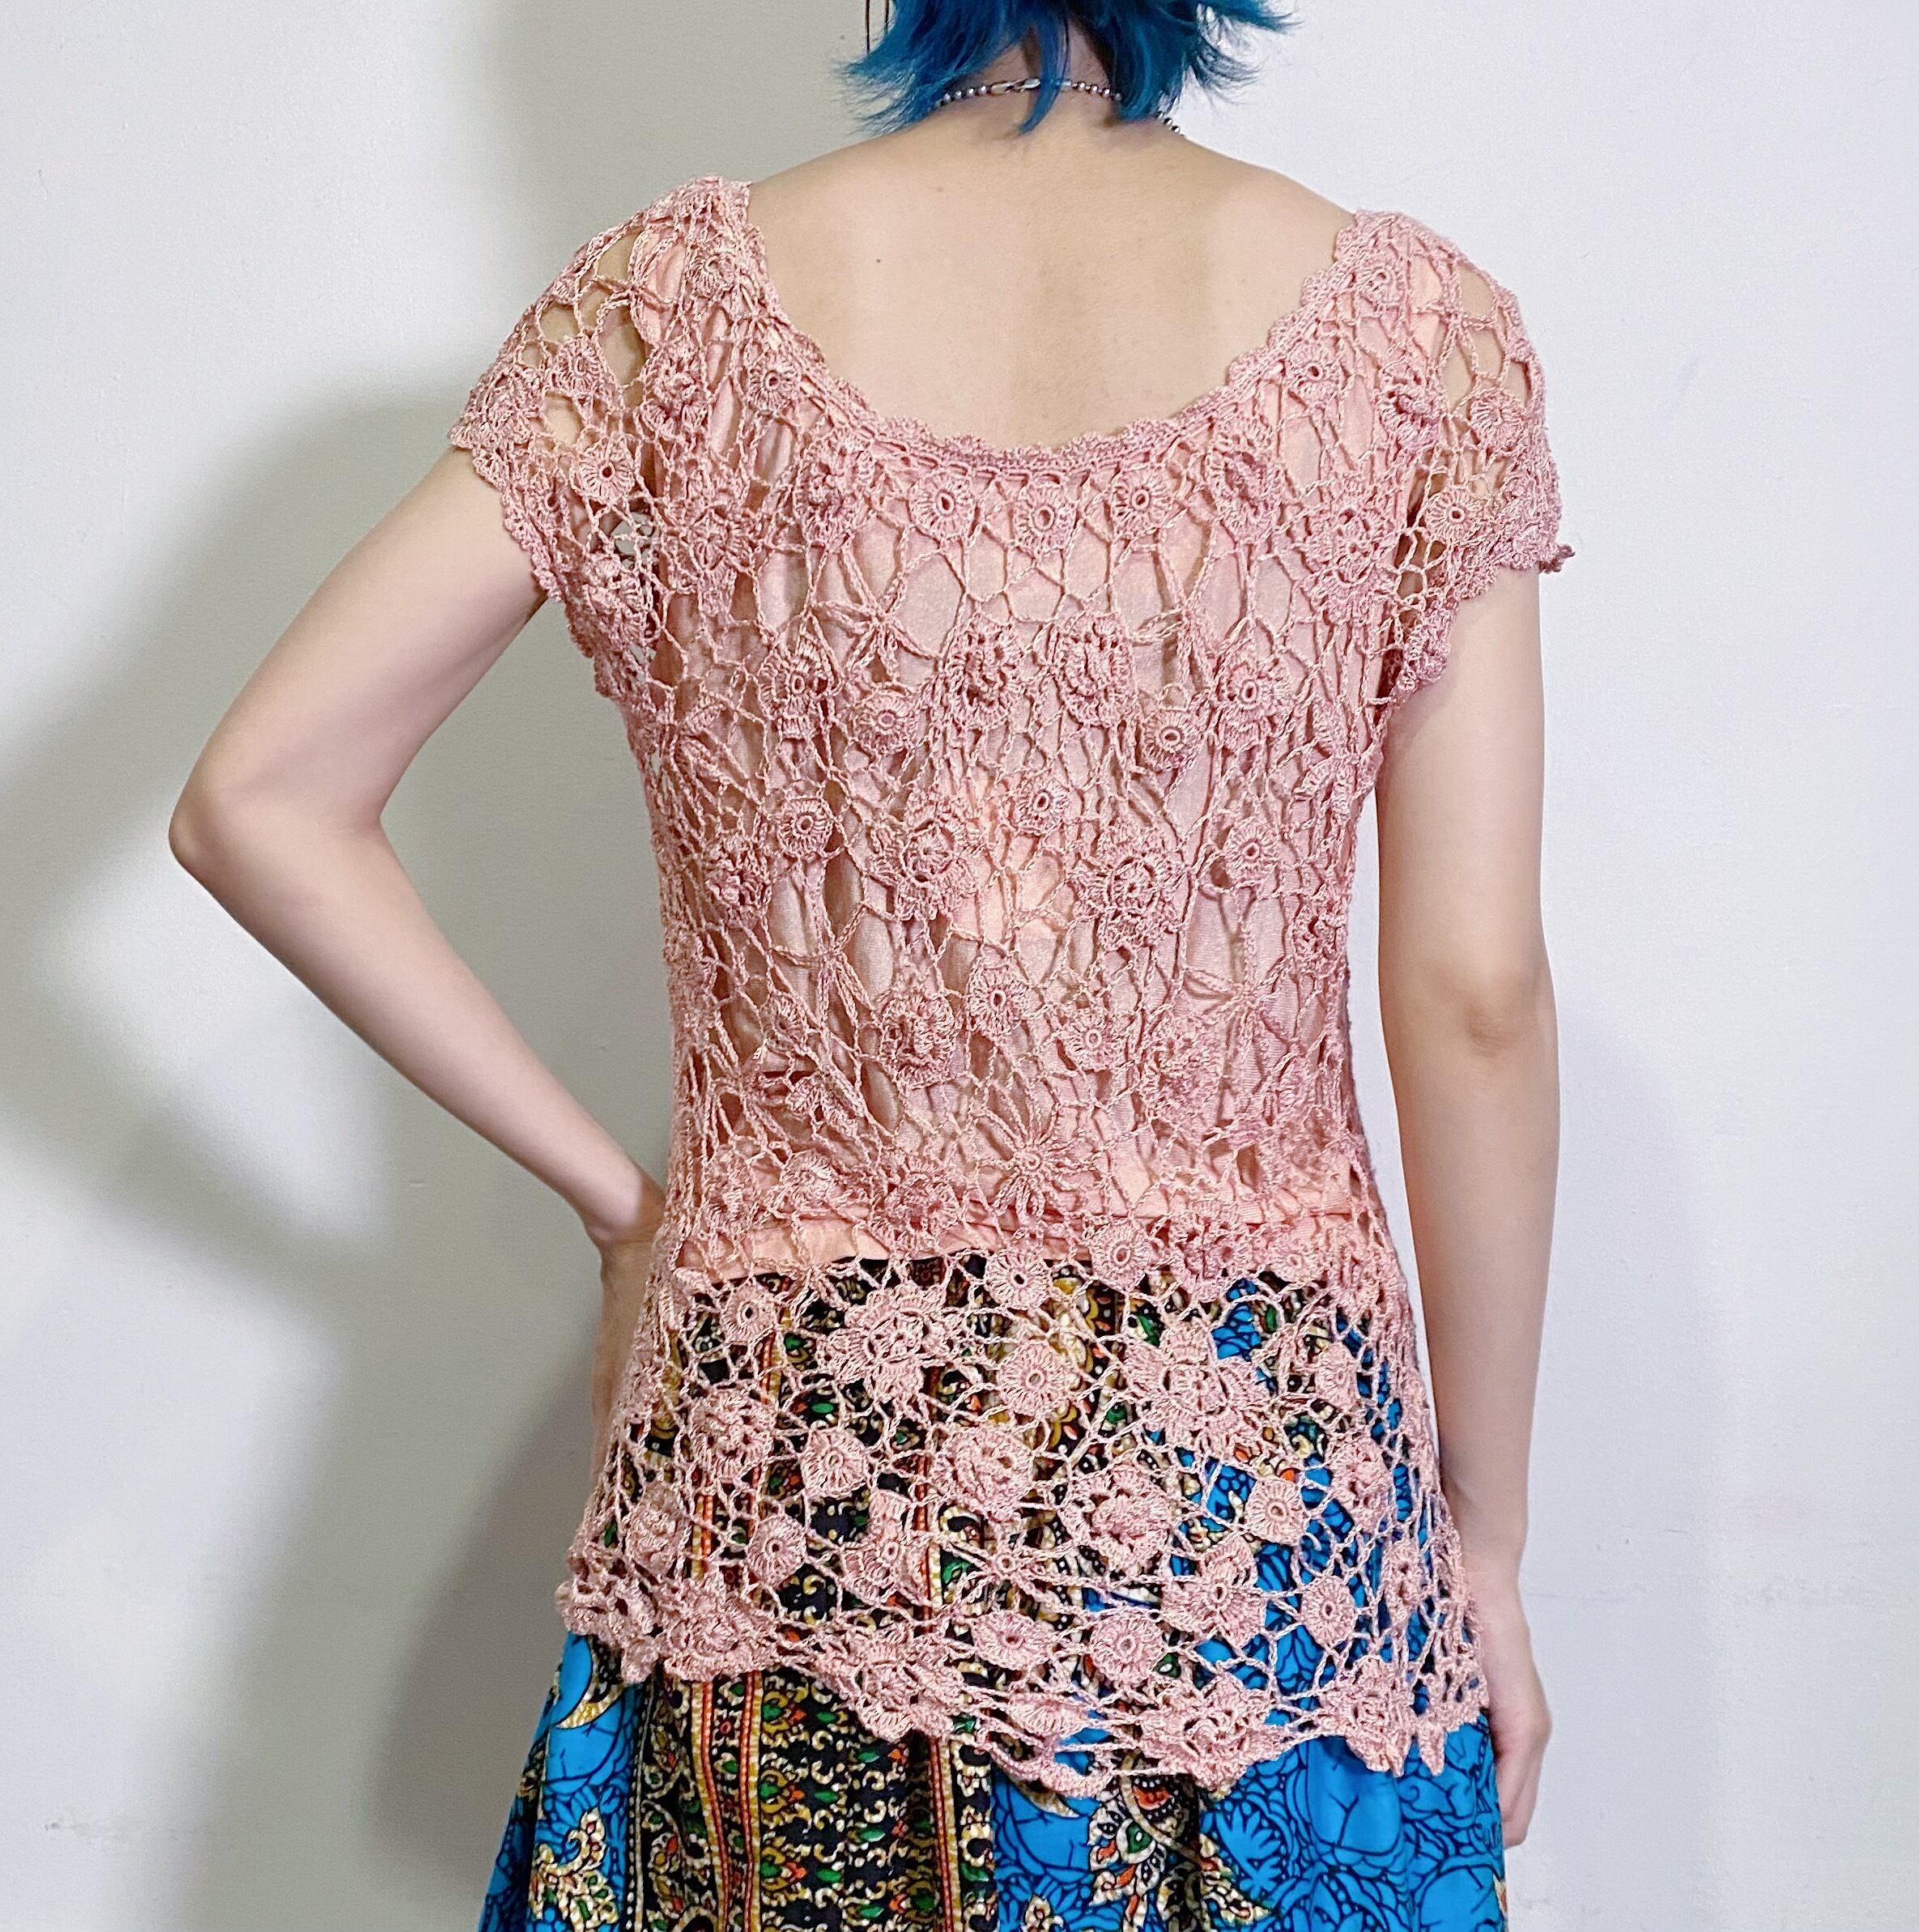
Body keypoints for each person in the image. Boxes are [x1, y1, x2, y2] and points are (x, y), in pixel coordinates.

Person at [171, 4, 1570, 1926]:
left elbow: (260, 798)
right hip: (1257, 1514)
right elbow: (1471, 990)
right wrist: (1481, 1533)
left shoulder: (668, 315)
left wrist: (627, 1210)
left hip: (804, 1470)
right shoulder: (1414, 341)